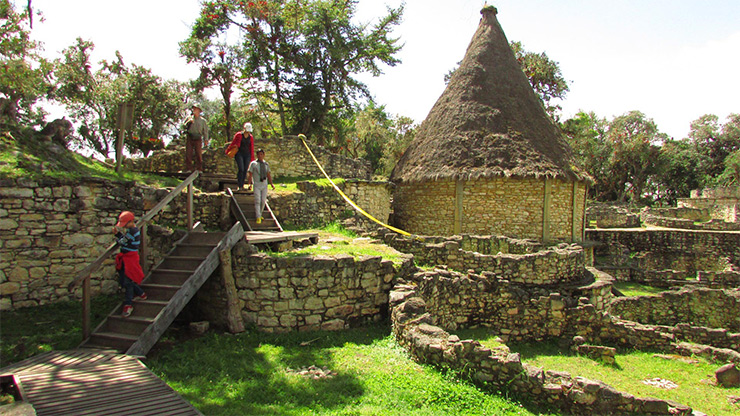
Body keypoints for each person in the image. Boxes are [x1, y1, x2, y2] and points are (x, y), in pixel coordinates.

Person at [113, 210, 146, 317]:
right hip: (126, 258)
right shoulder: (130, 231)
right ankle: (141, 293)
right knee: (126, 280)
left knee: (128, 281)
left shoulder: (132, 231)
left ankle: (128, 305)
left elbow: (122, 242)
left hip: (129, 259)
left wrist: (117, 234)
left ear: (131, 222)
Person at [246, 148, 275, 224]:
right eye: (258, 154)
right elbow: (250, 174)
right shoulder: (253, 164)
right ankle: (258, 216)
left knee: (263, 200)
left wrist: (271, 184)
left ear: (264, 155)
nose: (260, 156)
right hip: (257, 184)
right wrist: (249, 184)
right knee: (257, 200)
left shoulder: (266, 164)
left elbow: (268, 174)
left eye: (261, 154)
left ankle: (260, 214)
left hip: (264, 184)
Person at [226, 122, 255, 191]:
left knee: (245, 169)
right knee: (241, 169)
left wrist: (252, 158)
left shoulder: (250, 137)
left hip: (247, 154)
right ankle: (240, 185)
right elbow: (233, 143)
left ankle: (242, 185)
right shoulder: (238, 135)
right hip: (239, 153)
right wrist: (228, 150)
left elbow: (251, 147)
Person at [183, 104, 209, 172]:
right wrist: (188, 122)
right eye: (194, 109)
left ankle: (199, 169)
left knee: (198, 153)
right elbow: (183, 126)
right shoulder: (189, 118)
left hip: (198, 137)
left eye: (196, 109)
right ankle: (189, 168)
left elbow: (205, 131)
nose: (194, 110)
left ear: (199, 111)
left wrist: (206, 140)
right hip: (190, 137)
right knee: (188, 153)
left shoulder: (203, 121)